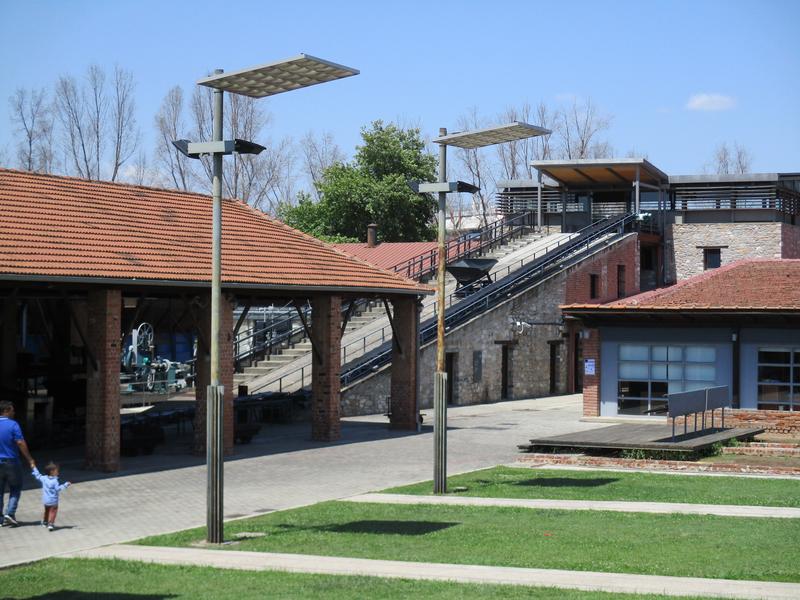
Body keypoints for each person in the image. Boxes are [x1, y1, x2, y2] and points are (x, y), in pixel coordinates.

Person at [0, 400, 36, 527]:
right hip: (11, 462)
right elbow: (20, 442)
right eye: (12, 409)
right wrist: (30, 459)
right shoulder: (13, 425)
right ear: (6, 411)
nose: (14, 412)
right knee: (15, 488)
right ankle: (10, 513)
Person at [31, 462, 70, 531]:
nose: (58, 472)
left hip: (46, 500)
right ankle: (51, 524)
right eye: (57, 471)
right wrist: (65, 484)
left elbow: (38, 475)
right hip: (53, 500)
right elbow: (58, 489)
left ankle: (45, 522)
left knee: (46, 511)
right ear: (52, 472)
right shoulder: (55, 481)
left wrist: (34, 467)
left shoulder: (44, 478)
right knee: (53, 511)